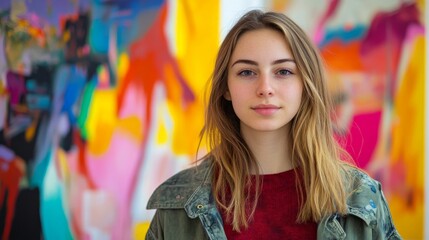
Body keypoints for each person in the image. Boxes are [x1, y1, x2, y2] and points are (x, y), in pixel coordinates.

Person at [145, 9, 401, 240]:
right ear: (225, 88)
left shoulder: (361, 198)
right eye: (247, 72)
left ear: (305, 84)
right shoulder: (177, 204)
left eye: (283, 72)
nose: (265, 88)